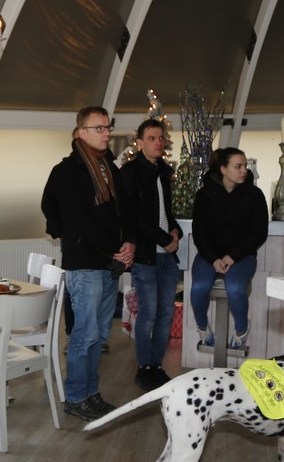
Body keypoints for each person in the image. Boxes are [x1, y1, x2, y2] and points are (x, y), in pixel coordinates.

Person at [41, 106, 134, 421]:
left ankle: (90, 393)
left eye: (108, 127)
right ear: (81, 132)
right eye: (99, 128)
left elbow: (124, 211)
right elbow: (72, 218)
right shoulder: (67, 171)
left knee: (99, 335)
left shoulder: (109, 167)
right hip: (85, 264)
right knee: (84, 334)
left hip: (109, 263)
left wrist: (129, 242)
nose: (106, 133)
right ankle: (76, 397)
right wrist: (73, 238)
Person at [120, 119, 182, 390]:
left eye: (161, 138)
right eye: (152, 138)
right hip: (146, 255)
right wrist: (165, 239)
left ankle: (156, 365)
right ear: (140, 142)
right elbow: (135, 217)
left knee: (166, 312)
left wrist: (175, 230)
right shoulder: (130, 172)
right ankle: (144, 367)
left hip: (166, 256)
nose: (158, 142)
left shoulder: (163, 171)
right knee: (148, 313)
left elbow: (165, 212)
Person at [191, 147, 268, 351]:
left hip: (242, 256)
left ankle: (242, 329)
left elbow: (259, 233)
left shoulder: (254, 195)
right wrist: (214, 258)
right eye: (238, 166)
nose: (244, 170)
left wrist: (233, 256)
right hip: (209, 255)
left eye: (245, 166)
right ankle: (202, 328)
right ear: (223, 169)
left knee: (235, 288)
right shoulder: (204, 195)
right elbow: (199, 232)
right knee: (198, 287)